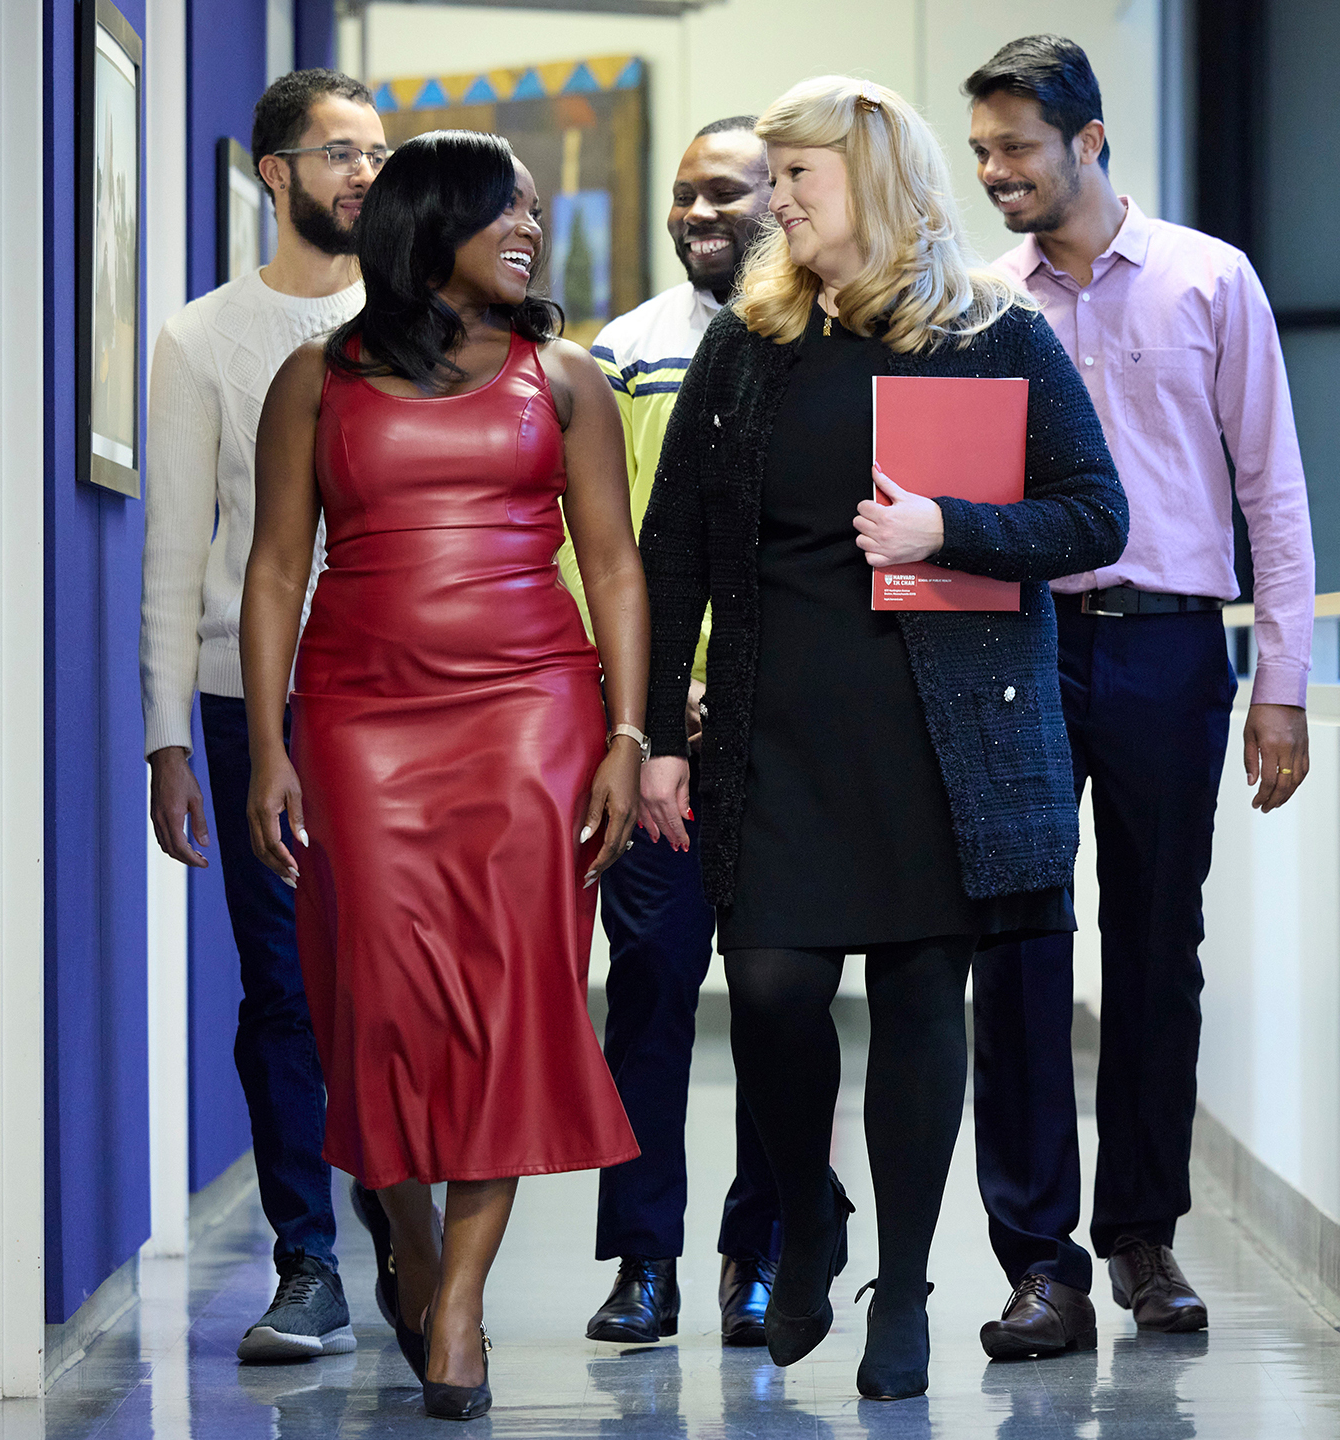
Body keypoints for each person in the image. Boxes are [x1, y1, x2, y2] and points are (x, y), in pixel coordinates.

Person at [634, 77, 1127, 1402]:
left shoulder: (996, 335)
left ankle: (901, 1286)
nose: (775, 200)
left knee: (919, 1004)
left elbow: (1095, 516)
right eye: (776, 178)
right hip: (772, 731)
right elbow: (669, 545)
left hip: (937, 738)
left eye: (800, 177)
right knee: (780, 996)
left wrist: (950, 531)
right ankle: (809, 1214)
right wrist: (654, 734)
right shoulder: (749, 342)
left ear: (879, 183)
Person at [238, 131, 646, 1420]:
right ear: (431, 223)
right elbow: (269, 571)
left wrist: (626, 738)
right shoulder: (315, 378)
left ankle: (458, 1300)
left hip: (531, 711)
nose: (531, 230)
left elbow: (617, 570)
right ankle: (407, 1241)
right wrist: (266, 746)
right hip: (359, 721)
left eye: (534, 212)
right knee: (378, 1002)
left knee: (509, 998)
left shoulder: (563, 377)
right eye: (505, 211)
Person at [961, 34, 1316, 1357]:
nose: (996, 172)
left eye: (1018, 149)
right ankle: (1038, 1261)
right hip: (1020, 653)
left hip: (1171, 647)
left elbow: (1271, 488)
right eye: (984, 150)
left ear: (1090, 141)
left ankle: (1142, 1239)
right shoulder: (981, 303)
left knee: (1161, 951)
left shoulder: (1208, 279)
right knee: (1020, 948)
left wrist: (1280, 679)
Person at [139, 67, 385, 1364]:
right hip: (255, 711)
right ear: (272, 173)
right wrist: (167, 736)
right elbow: (178, 552)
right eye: (339, 152)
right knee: (284, 990)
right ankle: (307, 1262)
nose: (365, 173)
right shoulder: (201, 338)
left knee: (396, 988)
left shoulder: (422, 325)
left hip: (408, 711)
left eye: (378, 151)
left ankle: (406, 1234)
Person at [569, 115, 789, 1349]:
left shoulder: (821, 344)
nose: (698, 216)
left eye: (727, 194)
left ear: (785, 197)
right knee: (648, 996)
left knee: (773, 1003)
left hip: (783, 746)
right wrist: (646, 709)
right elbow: (600, 550)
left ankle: (754, 1256)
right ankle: (641, 1261)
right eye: (682, 197)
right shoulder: (624, 354)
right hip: (658, 742)